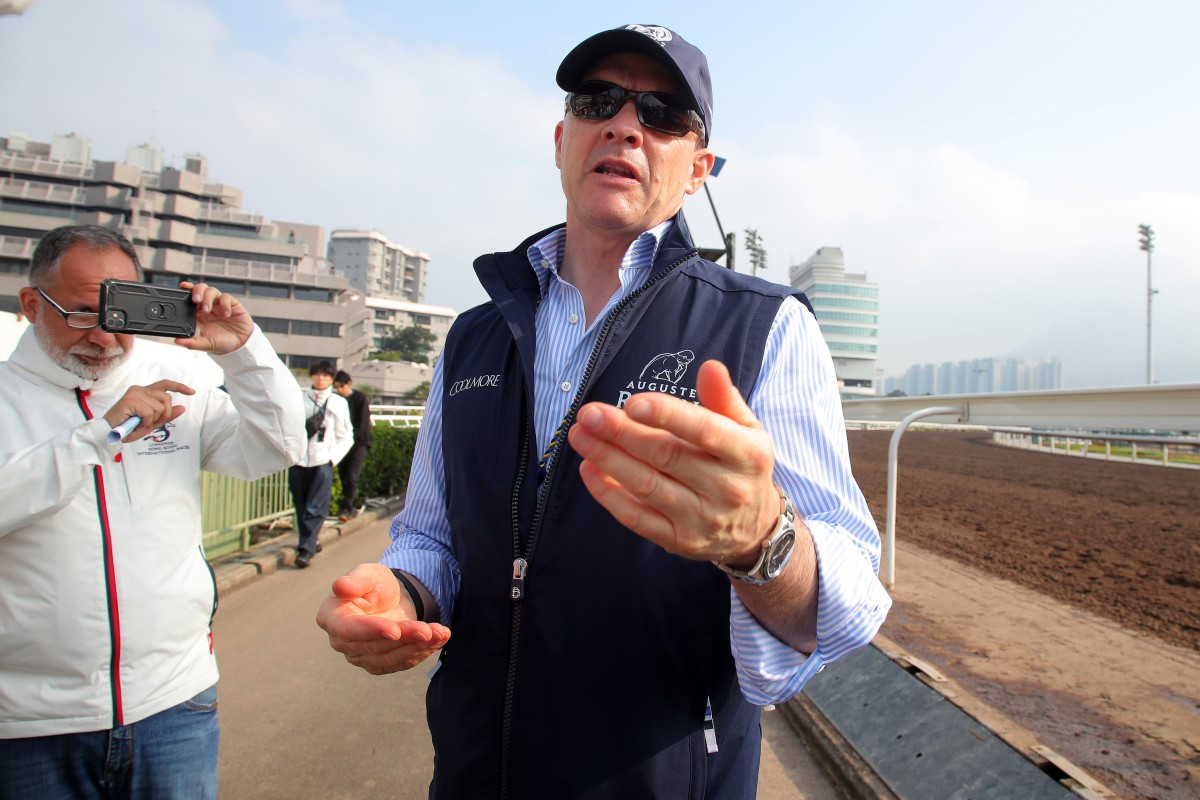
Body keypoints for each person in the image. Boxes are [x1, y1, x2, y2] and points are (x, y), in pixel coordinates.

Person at [318, 24, 892, 798]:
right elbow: (430, 535)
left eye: (660, 113)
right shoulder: (474, 338)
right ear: (563, 140)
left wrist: (762, 540)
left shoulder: (764, 328)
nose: (624, 123)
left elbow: (844, 608)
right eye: (599, 101)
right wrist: (401, 593)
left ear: (698, 170)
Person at [0, 224, 305, 799]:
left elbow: (282, 447)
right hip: (29, 724)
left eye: (120, 314)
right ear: (30, 304)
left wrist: (245, 351)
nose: (105, 338)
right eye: (83, 313)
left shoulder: (176, 385)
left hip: (174, 701)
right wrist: (101, 435)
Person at [290, 360, 353, 568]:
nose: (320, 379)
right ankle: (311, 540)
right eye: (317, 375)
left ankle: (304, 549)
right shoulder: (299, 398)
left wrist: (331, 459)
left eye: (325, 376)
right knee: (301, 505)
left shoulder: (337, 403)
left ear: (331, 379)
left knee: (315, 506)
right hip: (298, 460)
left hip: (322, 461)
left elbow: (346, 436)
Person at [333, 369, 372, 521]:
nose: (339, 390)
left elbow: (363, 423)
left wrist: (353, 440)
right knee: (344, 476)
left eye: (341, 386)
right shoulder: (336, 400)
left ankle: (347, 508)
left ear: (348, 383)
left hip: (359, 443)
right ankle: (348, 505)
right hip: (342, 444)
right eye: (336, 387)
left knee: (351, 475)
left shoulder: (359, 398)